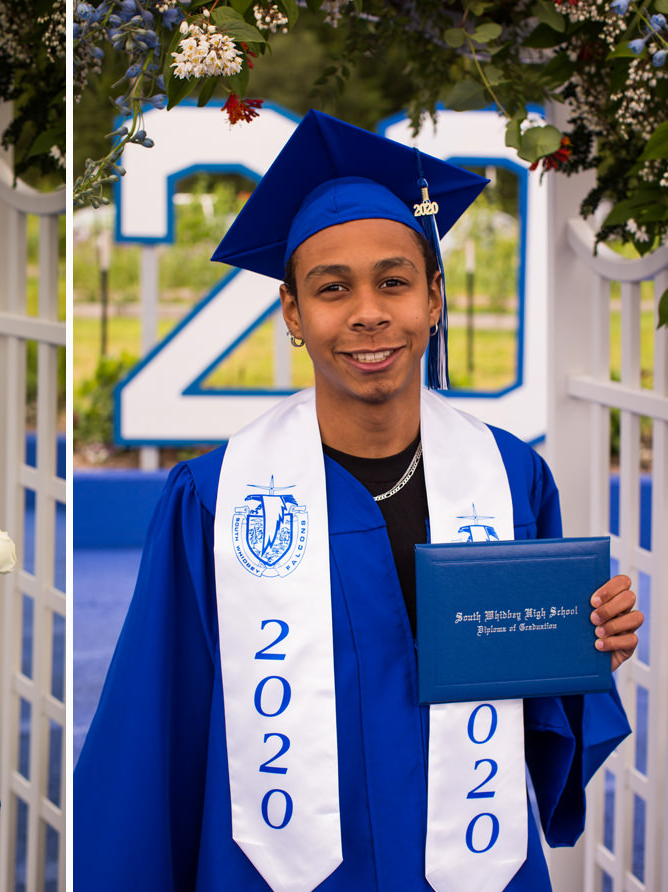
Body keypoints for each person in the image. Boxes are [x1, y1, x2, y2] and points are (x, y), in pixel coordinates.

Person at [74, 110, 644, 892]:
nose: (368, 311)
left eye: (395, 281)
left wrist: (586, 647)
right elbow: (154, 729)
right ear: (293, 314)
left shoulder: (509, 478)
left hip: (467, 857)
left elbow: (540, 701)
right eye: (332, 288)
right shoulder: (214, 501)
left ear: (434, 300)